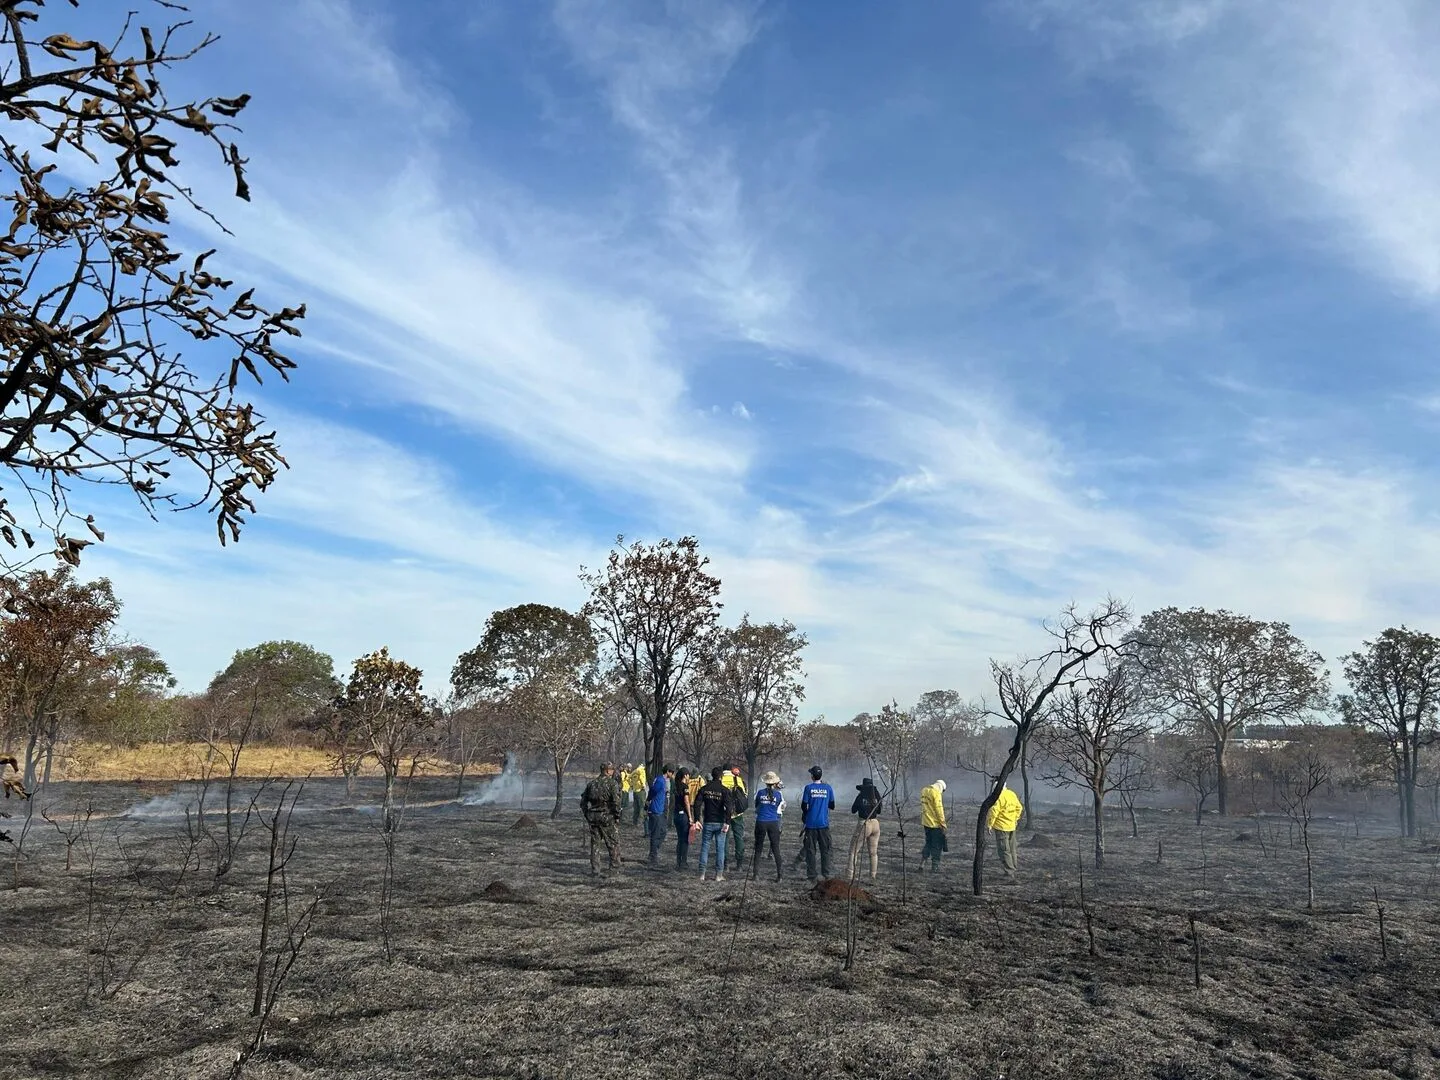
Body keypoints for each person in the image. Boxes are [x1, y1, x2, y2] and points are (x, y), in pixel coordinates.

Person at [579, 762, 623, 877]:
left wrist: (587, 814)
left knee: (595, 845)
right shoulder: (612, 783)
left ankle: (595, 870)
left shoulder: (591, 784)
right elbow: (616, 802)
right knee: (613, 843)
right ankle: (614, 870)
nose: (613, 771)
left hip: (593, 818)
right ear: (607, 771)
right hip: (607, 818)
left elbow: (583, 802)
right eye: (611, 769)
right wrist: (617, 816)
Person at [694, 766, 735, 881]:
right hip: (720, 823)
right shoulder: (724, 790)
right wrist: (727, 822)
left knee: (705, 848)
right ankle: (718, 875)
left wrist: (697, 819)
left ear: (712, 776)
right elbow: (729, 807)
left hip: (707, 822)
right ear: (721, 776)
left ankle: (701, 874)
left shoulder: (704, 789)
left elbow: (697, 804)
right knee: (720, 849)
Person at [799, 765, 835, 881]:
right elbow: (832, 805)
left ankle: (812, 875)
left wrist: (808, 813)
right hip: (824, 824)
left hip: (810, 824)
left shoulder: (808, 788)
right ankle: (826, 874)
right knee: (825, 850)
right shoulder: (828, 788)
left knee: (810, 850)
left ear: (812, 776)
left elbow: (804, 805)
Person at [750, 771, 785, 881]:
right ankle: (780, 875)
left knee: (758, 848)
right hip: (773, 822)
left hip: (761, 821)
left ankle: (755, 874)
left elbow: (757, 806)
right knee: (776, 849)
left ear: (765, 782)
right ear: (774, 783)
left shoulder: (760, 793)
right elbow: (778, 805)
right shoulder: (778, 794)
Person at [987, 777, 1024, 877]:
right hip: (1012, 826)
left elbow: (994, 812)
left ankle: (1009, 871)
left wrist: (989, 825)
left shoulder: (998, 796)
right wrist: (1015, 819)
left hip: (1001, 827)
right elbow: (1019, 807)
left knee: (1004, 850)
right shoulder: (1011, 794)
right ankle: (1014, 867)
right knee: (1012, 849)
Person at [848, 777, 883, 881]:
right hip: (875, 824)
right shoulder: (876, 795)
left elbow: (853, 810)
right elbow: (880, 810)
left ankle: (849, 876)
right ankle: (873, 875)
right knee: (873, 852)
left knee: (853, 851)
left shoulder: (861, 796)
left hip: (864, 823)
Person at [646, 764, 675, 866]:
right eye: (672, 772)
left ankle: (654, 850)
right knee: (656, 834)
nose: (672, 775)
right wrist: (648, 801)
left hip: (661, 810)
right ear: (668, 771)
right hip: (656, 810)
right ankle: (653, 856)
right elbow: (652, 791)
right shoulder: (660, 780)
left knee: (663, 832)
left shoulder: (665, 781)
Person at [721, 764, 749, 867]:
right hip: (737, 814)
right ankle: (739, 864)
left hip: (724, 814)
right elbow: (744, 794)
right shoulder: (738, 779)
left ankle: (725, 863)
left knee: (724, 838)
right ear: (731, 770)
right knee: (739, 837)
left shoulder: (720, 779)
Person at [918, 779, 947, 872]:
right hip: (935, 824)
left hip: (926, 822)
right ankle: (935, 867)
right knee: (937, 846)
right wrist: (943, 823)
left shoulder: (924, 790)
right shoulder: (936, 793)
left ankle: (922, 864)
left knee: (928, 843)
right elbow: (939, 810)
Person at [673, 768, 693, 869]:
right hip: (683, 816)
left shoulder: (675, 786)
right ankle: (683, 862)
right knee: (685, 840)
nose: (689, 777)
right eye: (688, 775)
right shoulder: (684, 787)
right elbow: (686, 802)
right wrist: (690, 816)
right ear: (685, 775)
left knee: (679, 839)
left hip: (676, 814)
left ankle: (678, 862)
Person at [629, 762, 648, 828]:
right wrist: (643, 785)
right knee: (642, 807)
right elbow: (642, 778)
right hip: (640, 791)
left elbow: (629, 777)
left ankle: (634, 822)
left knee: (636, 807)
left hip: (635, 791)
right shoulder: (642, 770)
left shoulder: (634, 771)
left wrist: (631, 785)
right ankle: (640, 822)